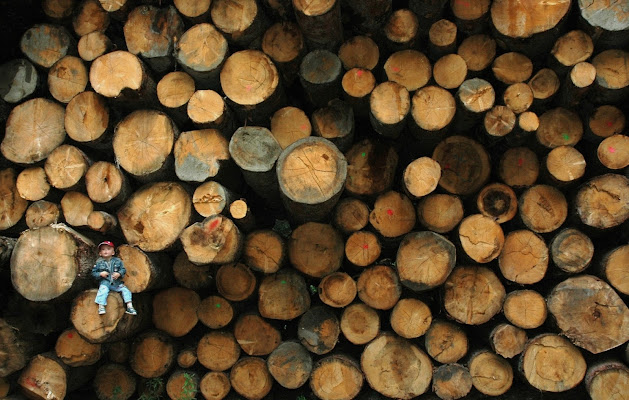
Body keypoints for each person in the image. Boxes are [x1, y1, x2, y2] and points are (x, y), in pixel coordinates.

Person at [91, 241, 137, 315]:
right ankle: (101, 306)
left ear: (113, 252)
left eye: (108, 249)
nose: (105, 251)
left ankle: (129, 306)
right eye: (103, 249)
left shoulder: (117, 261)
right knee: (103, 291)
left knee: (126, 290)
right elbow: (93, 273)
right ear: (100, 253)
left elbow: (123, 270)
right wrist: (100, 274)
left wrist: (119, 273)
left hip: (116, 283)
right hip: (105, 282)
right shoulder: (99, 263)